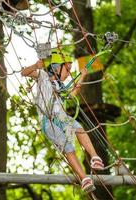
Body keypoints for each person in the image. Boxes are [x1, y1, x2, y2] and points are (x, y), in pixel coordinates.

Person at [21, 49, 104, 193]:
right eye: (68, 69)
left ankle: (95, 157)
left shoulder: (60, 86)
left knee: (78, 127)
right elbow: (24, 72)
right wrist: (36, 66)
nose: (69, 73)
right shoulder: (43, 76)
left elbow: (71, 94)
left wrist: (82, 77)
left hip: (61, 118)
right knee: (68, 147)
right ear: (56, 68)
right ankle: (84, 178)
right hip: (48, 121)